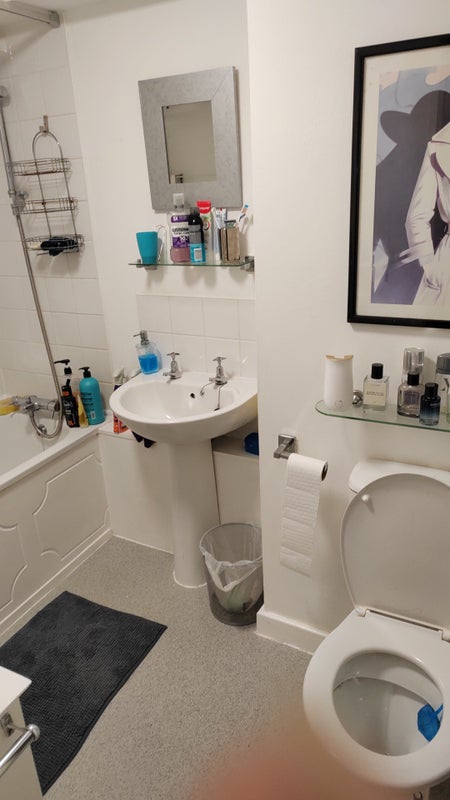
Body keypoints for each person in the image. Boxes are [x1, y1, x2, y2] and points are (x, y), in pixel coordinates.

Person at [405, 119, 450, 305]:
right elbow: (416, 218)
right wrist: (429, 266)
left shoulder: (439, 145)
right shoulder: (438, 146)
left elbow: (415, 218)